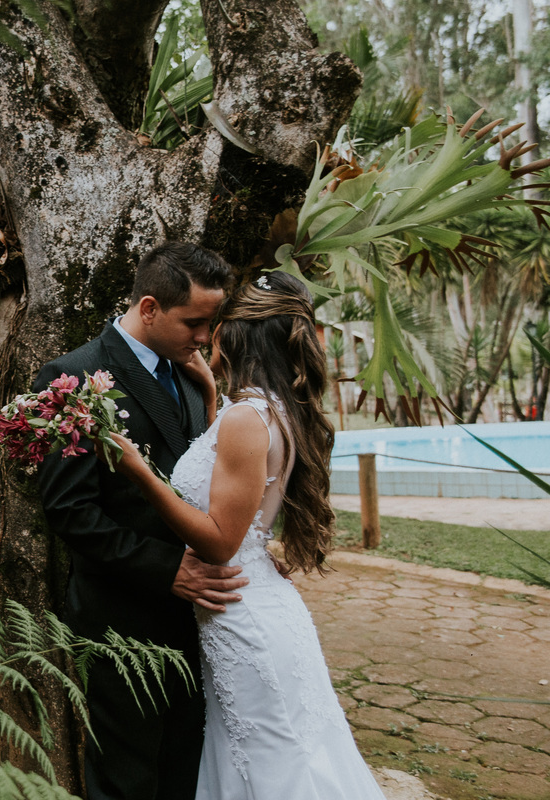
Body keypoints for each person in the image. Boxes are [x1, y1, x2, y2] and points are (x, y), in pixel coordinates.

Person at [106, 270, 387, 799]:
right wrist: (212, 396)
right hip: (254, 604)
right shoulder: (268, 409)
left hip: (243, 617)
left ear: (239, 335)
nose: (209, 335)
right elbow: (226, 476)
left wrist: (139, 471)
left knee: (274, 768)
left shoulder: (248, 418)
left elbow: (218, 541)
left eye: (219, 326)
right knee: (278, 759)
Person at [35, 242, 246, 800]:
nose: (205, 338)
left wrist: (211, 397)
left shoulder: (194, 376)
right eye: (194, 322)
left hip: (196, 619)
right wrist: (166, 567)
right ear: (149, 307)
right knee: (127, 776)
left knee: (184, 765)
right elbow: (71, 512)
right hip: (122, 615)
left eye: (211, 323)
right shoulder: (73, 377)